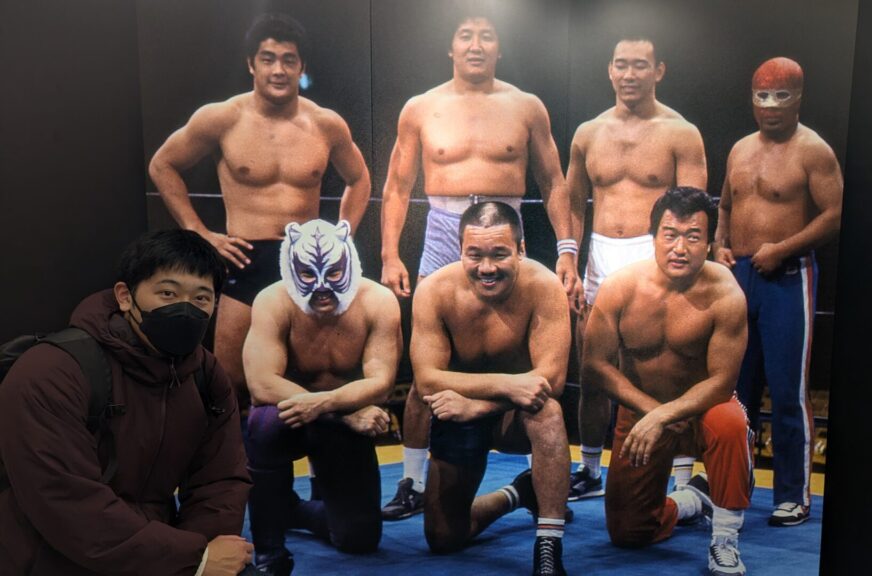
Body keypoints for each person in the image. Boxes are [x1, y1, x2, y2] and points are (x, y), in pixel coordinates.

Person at [379, 13, 576, 520]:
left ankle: (541, 480)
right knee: (427, 363)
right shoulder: (421, 107)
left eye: (486, 35)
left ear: (499, 47)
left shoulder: (526, 106)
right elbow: (398, 185)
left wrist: (567, 248)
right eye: (465, 35)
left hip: (505, 230)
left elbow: (554, 181)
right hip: (444, 230)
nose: (475, 44)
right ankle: (411, 482)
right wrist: (389, 254)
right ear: (451, 46)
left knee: (523, 356)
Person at [149, 13, 371, 412]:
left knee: (311, 376)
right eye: (268, 59)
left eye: (288, 60)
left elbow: (359, 179)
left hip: (306, 262)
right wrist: (198, 231)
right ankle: (236, 453)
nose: (278, 69)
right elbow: (162, 165)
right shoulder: (222, 117)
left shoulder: (325, 124)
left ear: (302, 66)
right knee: (230, 380)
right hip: (245, 256)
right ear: (251, 64)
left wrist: (342, 237)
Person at [0, 229, 252, 576]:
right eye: (167, 293)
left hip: (159, 553)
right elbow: (64, 500)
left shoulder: (205, 374)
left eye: (201, 298)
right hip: (51, 558)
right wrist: (191, 560)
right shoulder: (50, 371)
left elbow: (221, 479)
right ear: (125, 296)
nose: (185, 309)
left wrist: (202, 556)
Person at [565, 37, 707, 500]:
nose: (629, 74)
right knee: (592, 368)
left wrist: (683, 267)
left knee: (670, 370)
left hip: (657, 255)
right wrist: (568, 256)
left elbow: (693, 211)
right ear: (610, 69)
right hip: (601, 256)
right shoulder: (588, 133)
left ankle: (682, 478)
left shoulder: (681, 133)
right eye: (622, 65)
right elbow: (572, 202)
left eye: (640, 65)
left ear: (658, 70)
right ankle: (589, 468)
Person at [583, 188, 753, 576]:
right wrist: (654, 412)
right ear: (653, 236)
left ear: (708, 243)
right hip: (643, 410)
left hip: (703, 408)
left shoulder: (725, 292)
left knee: (730, 420)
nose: (679, 247)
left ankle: (725, 539)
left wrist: (668, 413)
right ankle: (692, 500)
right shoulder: (620, 287)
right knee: (628, 532)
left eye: (693, 236)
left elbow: (722, 381)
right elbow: (594, 366)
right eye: (670, 234)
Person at [714, 57, 843, 527]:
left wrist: (783, 249)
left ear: (799, 98)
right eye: (762, 95)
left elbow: (835, 214)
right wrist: (719, 245)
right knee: (735, 387)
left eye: (780, 96)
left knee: (788, 390)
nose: (770, 105)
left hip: (788, 277)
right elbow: (725, 205)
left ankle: (793, 495)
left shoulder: (813, 150)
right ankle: (734, 488)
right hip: (739, 277)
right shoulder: (739, 149)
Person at [412, 202, 571, 576]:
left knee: (548, 412)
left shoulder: (544, 286)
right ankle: (518, 493)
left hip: (513, 417)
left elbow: (552, 380)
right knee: (444, 538)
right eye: (475, 255)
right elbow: (427, 380)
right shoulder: (434, 291)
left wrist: (480, 406)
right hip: (458, 417)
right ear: (460, 251)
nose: (486, 268)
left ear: (521, 249)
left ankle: (549, 545)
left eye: (499, 254)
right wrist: (508, 384)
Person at [241, 219, 401, 574]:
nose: (322, 286)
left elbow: (381, 383)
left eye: (334, 272)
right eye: (308, 275)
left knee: (359, 539)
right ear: (291, 269)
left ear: (349, 263)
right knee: (262, 423)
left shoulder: (377, 301)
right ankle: (269, 552)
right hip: (298, 417)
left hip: (340, 426)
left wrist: (326, 406)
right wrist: (342, 411)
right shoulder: (273, 300)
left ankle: (290, 510)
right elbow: (261, 384)